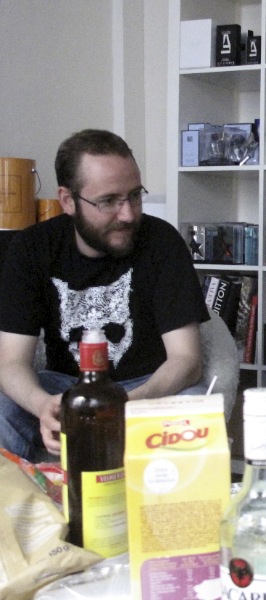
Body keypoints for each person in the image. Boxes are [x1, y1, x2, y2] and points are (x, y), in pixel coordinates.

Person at [0, 129, 209, 462]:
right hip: (66, 388)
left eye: (135, 196)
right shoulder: (31, 248)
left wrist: (127, 405)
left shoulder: (163, 242)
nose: (128, 214)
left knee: (193, 409)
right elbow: (11, 362)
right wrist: (42, 405)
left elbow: (187, 361)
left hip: (146, 388)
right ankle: (25, 493)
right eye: (109, 201)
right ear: (68, 201)